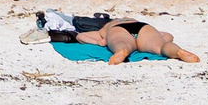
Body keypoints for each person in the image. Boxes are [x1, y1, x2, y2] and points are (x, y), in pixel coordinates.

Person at [72, 19, 200, 64]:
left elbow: (80, 36)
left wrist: (98, 42)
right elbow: (168, 35)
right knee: (161, 46)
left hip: (119, 30)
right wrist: (145, 43)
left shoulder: (107, 27)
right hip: (142, 27)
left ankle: (122, 50)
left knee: (121, 43)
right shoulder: (131, 19)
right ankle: (177, 51)